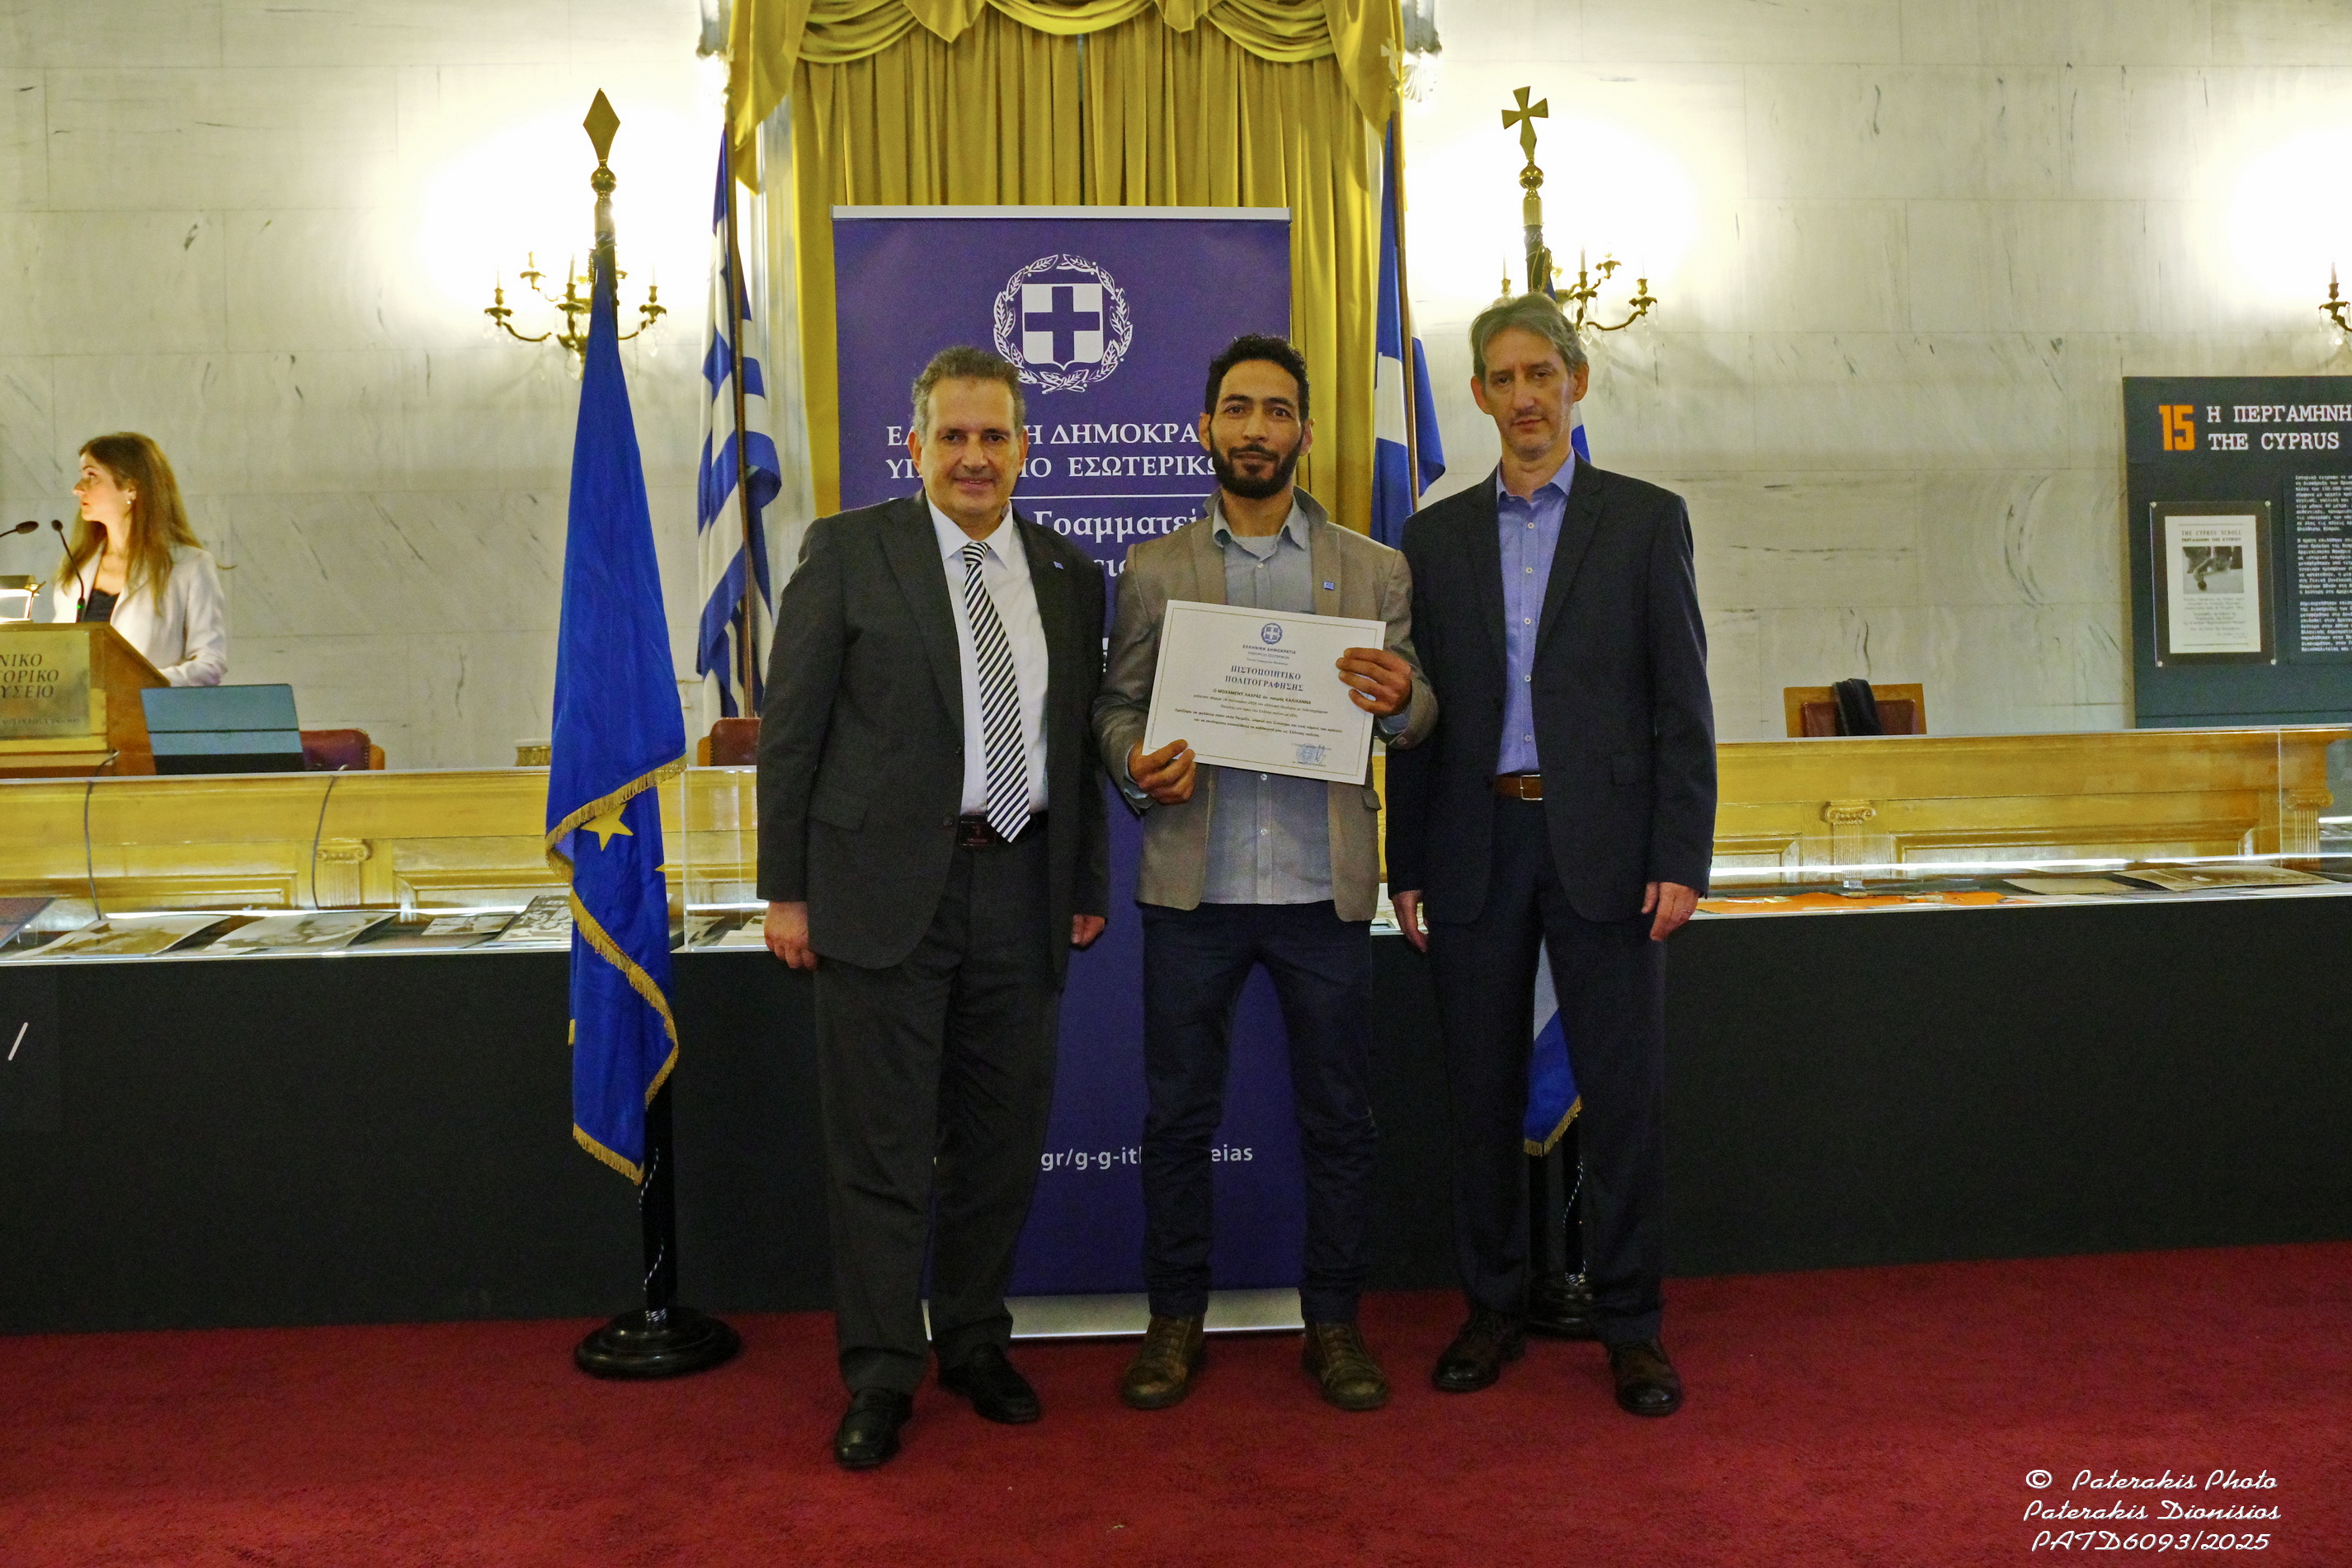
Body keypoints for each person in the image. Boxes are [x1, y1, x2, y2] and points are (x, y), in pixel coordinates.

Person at [757, 346, 1109, 1471]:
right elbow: (792, 731)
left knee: (999, 1145)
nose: (972, 456)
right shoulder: (848, 552)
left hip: (1022, 886)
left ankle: (972, 1340)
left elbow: (1071, 742)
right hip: (876, 895)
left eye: (992, 436)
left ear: (1024, 448)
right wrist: (786, 890)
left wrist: (1083, 883)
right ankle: (878, 1371)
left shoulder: (1066, 571)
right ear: (913, 446)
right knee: (882, 1150)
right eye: (951, 436)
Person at [1385, 294, 1716, 1418]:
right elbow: (1418, 715)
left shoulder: (1645, 520)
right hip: (1472, 844)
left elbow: (1681, 704)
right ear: (1478, 395)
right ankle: (1489, 1309)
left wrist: (1680, 853)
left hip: (1608, 851)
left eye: (1542, 373)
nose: (1523, 396)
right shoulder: (1431, 539)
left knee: (1622, 1098)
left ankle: (1631, 1324)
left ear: (1576, 380)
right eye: (1503, 378)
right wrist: (1405, 861)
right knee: (1477, 1093)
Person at [1094, 335, 1435, 1414]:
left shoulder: (1372, 568)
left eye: (1275, 410)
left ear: (1303, 431)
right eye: (1236, 408)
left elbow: (1418, 708)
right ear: (1205, 427)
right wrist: (1133, 761)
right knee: (1175, 1123)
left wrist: (1402, 700)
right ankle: (1172, 1323)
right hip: (1190, 890)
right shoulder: (1153, 568)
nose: (1255, 429)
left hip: (1320, 888)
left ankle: (1332, 1323)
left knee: (1338, 1122)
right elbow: (1114, 707)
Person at [48, 433, 226, 685]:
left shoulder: (190, 566)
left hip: (149, 708)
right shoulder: (77, 567)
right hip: (78, 709)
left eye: (91, 475)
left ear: (131, 488)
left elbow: (209, 664)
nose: (77, 488)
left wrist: (136, 684)